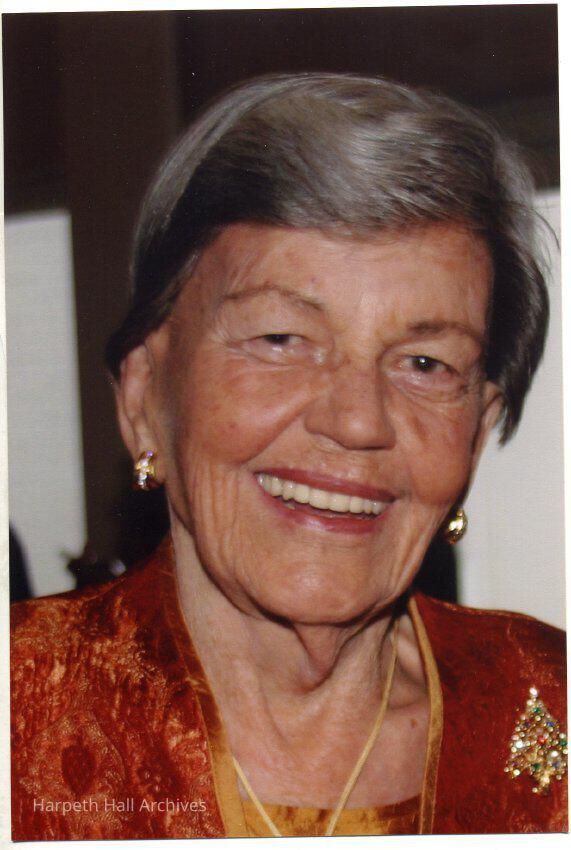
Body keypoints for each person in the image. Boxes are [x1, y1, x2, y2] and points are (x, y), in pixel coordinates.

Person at [11, 73, 567, 839]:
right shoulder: (20, 709)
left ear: (477, 429)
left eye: (425, 364)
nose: (357, 420)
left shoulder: (548, 706)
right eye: (280, 339)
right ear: (143, 398)